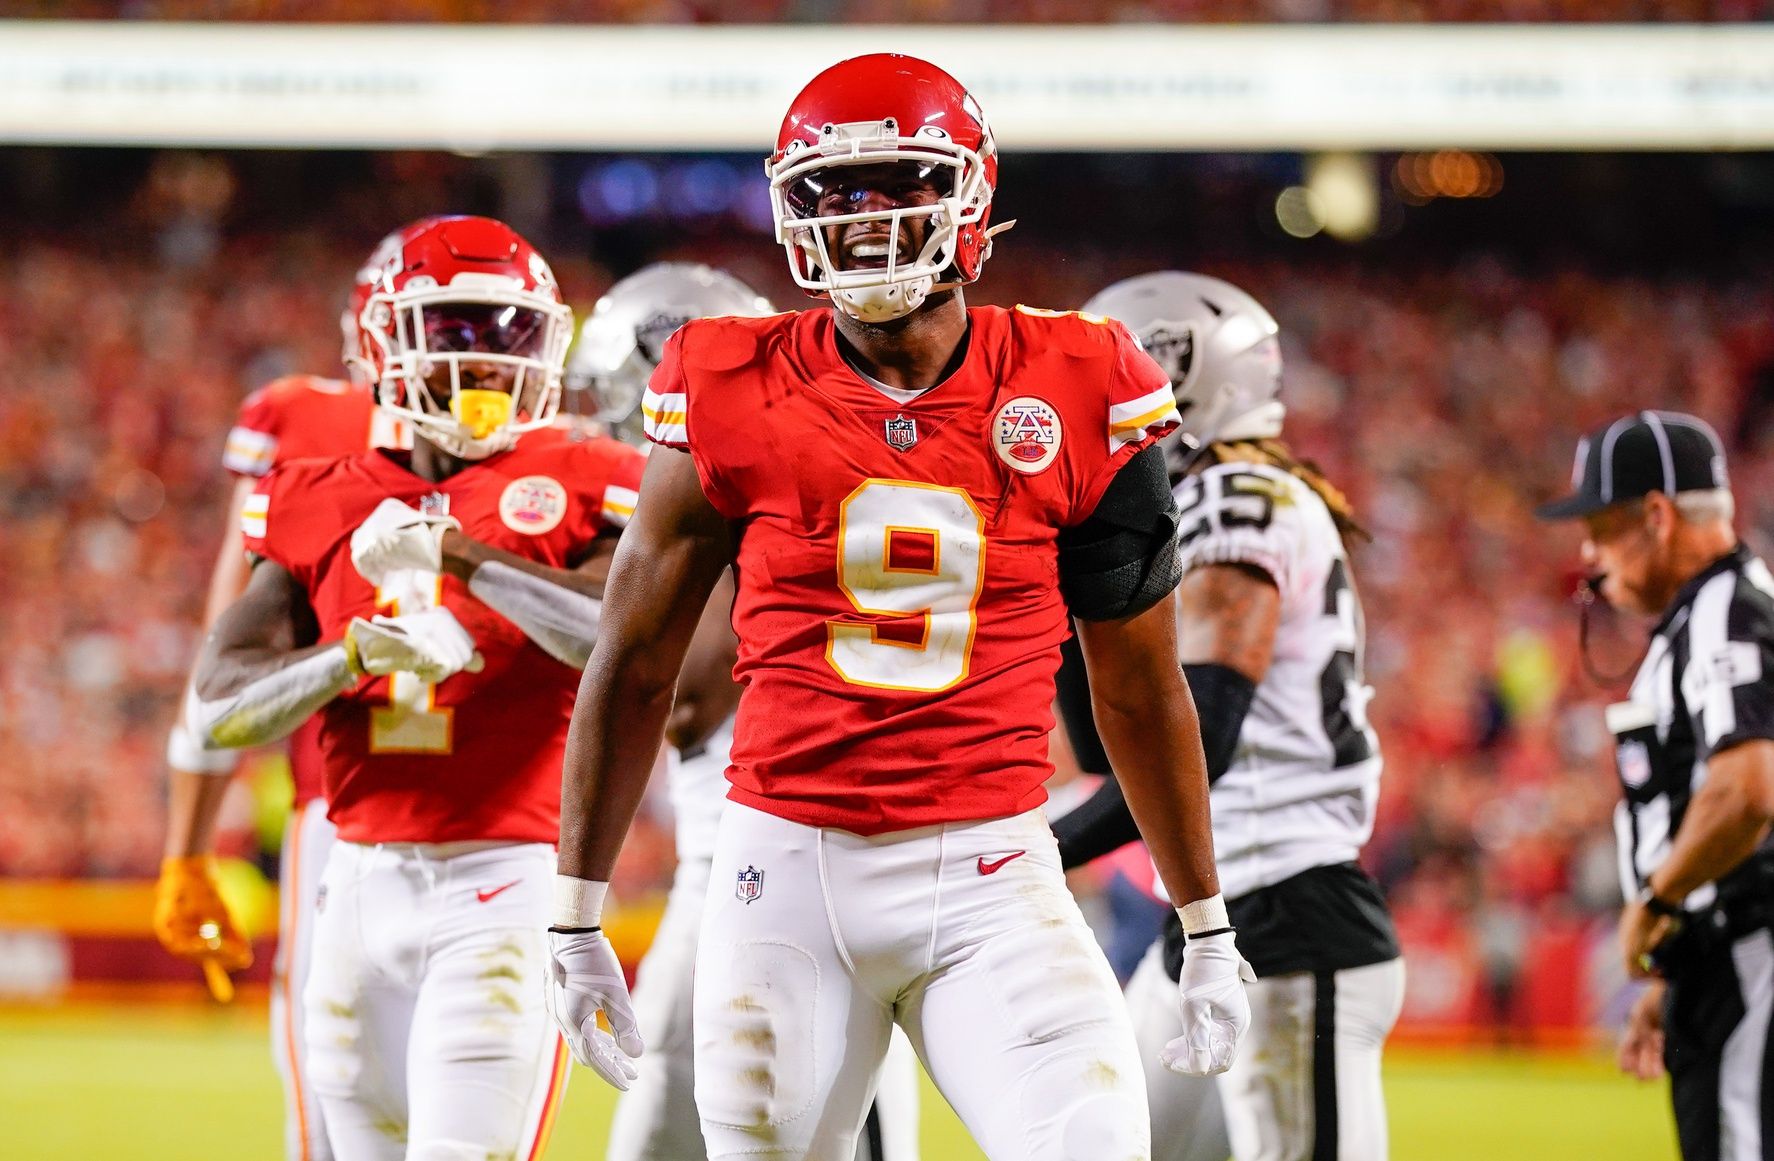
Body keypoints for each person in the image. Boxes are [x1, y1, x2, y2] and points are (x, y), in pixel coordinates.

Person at [547, 54, 1253, 1161]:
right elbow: (633, 661)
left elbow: (1137, 683)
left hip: (992, 872)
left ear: (971, 197)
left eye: (896, 186)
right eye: (832, 195)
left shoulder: (1083, 377)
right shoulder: (726, 377)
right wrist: (576, 908)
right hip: (782, 866)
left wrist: (1203, 917)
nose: (863, 222)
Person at [190, 214, 645, 1161]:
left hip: (506, 879)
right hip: (355, 883)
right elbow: (219, 703)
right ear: (384, 343)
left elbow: (625, 643)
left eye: (509, 333)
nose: (484, 361)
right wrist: (349, 656)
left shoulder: (586, 476)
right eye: (456, 330)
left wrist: (463, 559)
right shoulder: (315, 488)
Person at [571, 260, 923, 1161]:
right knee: (661, 1135)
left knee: (826, 1121)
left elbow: (685, 696)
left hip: (791, 852)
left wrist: (474, 569)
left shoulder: (747, 495)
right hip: (727, 855)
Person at [1053, 271, 1404, 1161]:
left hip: (1288, 909)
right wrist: (1076, 581)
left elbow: (1195, 742)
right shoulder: (1221, 500)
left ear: (1179, 377)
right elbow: (1109, 744)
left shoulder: (1238, 496)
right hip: (1218, 910)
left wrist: (1035, 850)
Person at [153, 225, 416, 1161]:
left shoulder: (301, 423)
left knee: (340, 1121)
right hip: (479, 833)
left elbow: (221, 663)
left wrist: (185, 850)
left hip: (347, 824)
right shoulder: (561, 457)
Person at [1536, 410, 1774, 1161]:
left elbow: (1749, 788)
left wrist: (1658, 902)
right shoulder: (1704, 617)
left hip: (1751, 952)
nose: (1589, 556)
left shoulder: (1725, 610)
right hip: (1724, 956)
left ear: (1657, 515)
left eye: (1601, 529)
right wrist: (1679, 974)